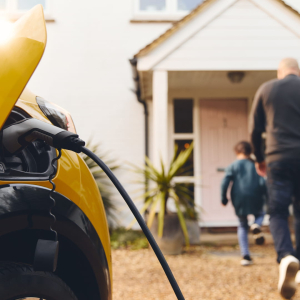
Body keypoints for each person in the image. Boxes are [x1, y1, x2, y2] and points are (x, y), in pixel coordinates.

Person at [250, 57, 300, 299]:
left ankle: (286, 256)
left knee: (278, 211)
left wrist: (259, 158)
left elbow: (255, 129)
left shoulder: (267, 89)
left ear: (280, 72)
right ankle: (299, 262)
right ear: (297, 72)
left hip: (278, 158)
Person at [221, 141, 267, 266]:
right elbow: (263, 181)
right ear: (250, 152)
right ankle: (256, 225)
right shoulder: (255, 165)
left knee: (242, 224)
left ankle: (246, 256)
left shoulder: (233, 166)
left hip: (239, 197)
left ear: (237, 152)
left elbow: (225, 182)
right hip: (256, 195)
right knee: (261, 213)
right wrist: (266, 196)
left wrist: (223, 198)